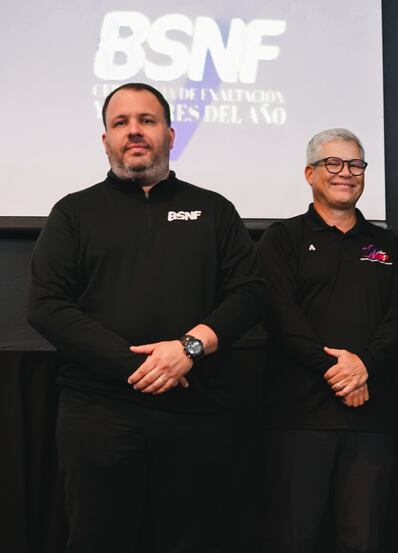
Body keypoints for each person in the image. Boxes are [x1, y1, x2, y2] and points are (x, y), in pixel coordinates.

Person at [27, 83, 263, 553]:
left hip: (197, 412)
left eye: (147, 121)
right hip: (98, 415)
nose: (134, 132)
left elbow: (251, 293)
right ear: (106, 140)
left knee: (193, 540)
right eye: (121, 123)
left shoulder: (215, 209)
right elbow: (46, 305)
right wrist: (139, 365)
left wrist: (188, 349)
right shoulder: (74, 212)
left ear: (171, 135)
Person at [258, 128, 398, 553]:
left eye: (355, 165)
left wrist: (364, 364)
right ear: (310, 173)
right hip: (298, 419)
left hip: (371, 420)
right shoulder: (281, 238)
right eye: (333, 163)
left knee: (363, 541)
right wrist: (337, 369)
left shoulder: (388, 245)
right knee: (294, 539)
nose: (346, 173)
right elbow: (279, 316)